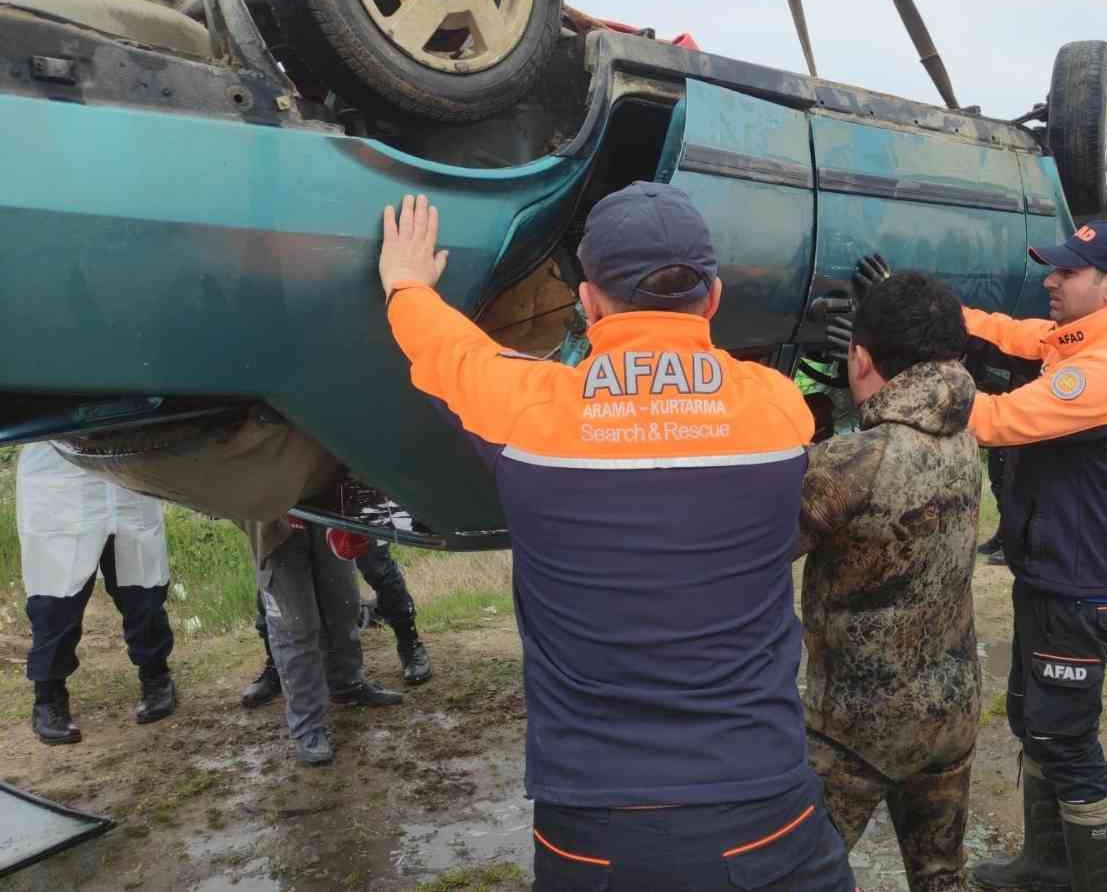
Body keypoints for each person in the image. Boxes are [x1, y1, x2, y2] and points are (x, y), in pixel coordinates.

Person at [377, 186, 854, 890]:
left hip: (595, 828)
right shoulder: (778, 411)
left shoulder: (529, 413)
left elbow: (451, 353)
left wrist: (406, 286)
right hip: (766, 813)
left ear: (590, 301)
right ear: (713, 297)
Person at [959, 221, 1107, 892]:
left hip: (1079, 588)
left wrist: (909, 371)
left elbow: (993, 421)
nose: (1051, 279)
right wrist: (936, 313)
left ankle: (1098, 884)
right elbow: (1013, 336)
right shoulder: (1078, 342)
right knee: (1034, 723)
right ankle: (1047, 869)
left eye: (1066, 272)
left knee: (1067, 741)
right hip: (1050, 574)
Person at [795, 269, 982, 892]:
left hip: (854, 730)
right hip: (949, 711)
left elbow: (756, 545)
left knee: (797, 874)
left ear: (862, 356)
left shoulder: (854, 462)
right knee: (940, 877)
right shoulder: (965, 434)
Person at [16, 443, 178, 745]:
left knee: (143, 586)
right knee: (55, 594)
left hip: (129, 467)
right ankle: (48, 699)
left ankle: (156, 677)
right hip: (59, 476)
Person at [238, 517, 403, 765]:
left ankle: (347, 685)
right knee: (294, 626)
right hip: (274, 517)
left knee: (342, 605)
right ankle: (307, 725)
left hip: (325, 510)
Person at [241, 535, 431, 706]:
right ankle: (276, 667)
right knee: (277, 580)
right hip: (289, 509)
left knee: (378, 567)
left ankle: (410, 644)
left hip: (353, 504)